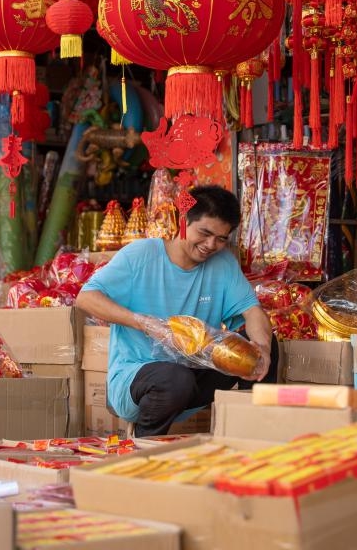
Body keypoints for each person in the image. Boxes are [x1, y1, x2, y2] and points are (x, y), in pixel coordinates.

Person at [75, 185, 277, 437]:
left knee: (258, 347)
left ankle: (256, 437)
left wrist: (263, 348)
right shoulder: (141, 255)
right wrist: (144, 323)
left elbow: (252, 312)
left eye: (221, 238)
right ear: (183, 222)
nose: (210, 245)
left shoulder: (223, 263)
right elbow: (85, 298)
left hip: (194, 375)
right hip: (136, 378)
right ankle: (144, 445)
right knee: (174, 378)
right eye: (204, 233)